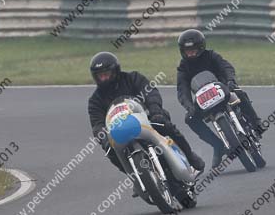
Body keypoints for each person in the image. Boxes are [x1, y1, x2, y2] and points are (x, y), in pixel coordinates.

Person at [87, 52, 205, 175]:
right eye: (100, 76)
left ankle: (190, 156)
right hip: (119, 131)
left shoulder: (133, 78)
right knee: (110, 151)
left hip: (146, 118)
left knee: (164, 124)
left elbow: (150, 92)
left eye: (106, 74)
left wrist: (155, 110)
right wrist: (104, 138)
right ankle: (136, 177)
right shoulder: (95, 100)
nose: (104, 78)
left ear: (115, 71)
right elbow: (97, 124)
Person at [175, 30, 263, 169]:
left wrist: (230, 81)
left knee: (240, 94)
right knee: (190, 119)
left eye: (193, 50)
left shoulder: (211, 56)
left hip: (224, 90)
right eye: (187, 51)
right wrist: (188, 106)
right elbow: (182, 90)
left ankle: (256, 122)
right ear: (182, 51)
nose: (190, 53)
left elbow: (226, 67)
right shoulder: (183, 68)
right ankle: (217, 145)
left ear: (201, 47)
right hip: (204, 100)